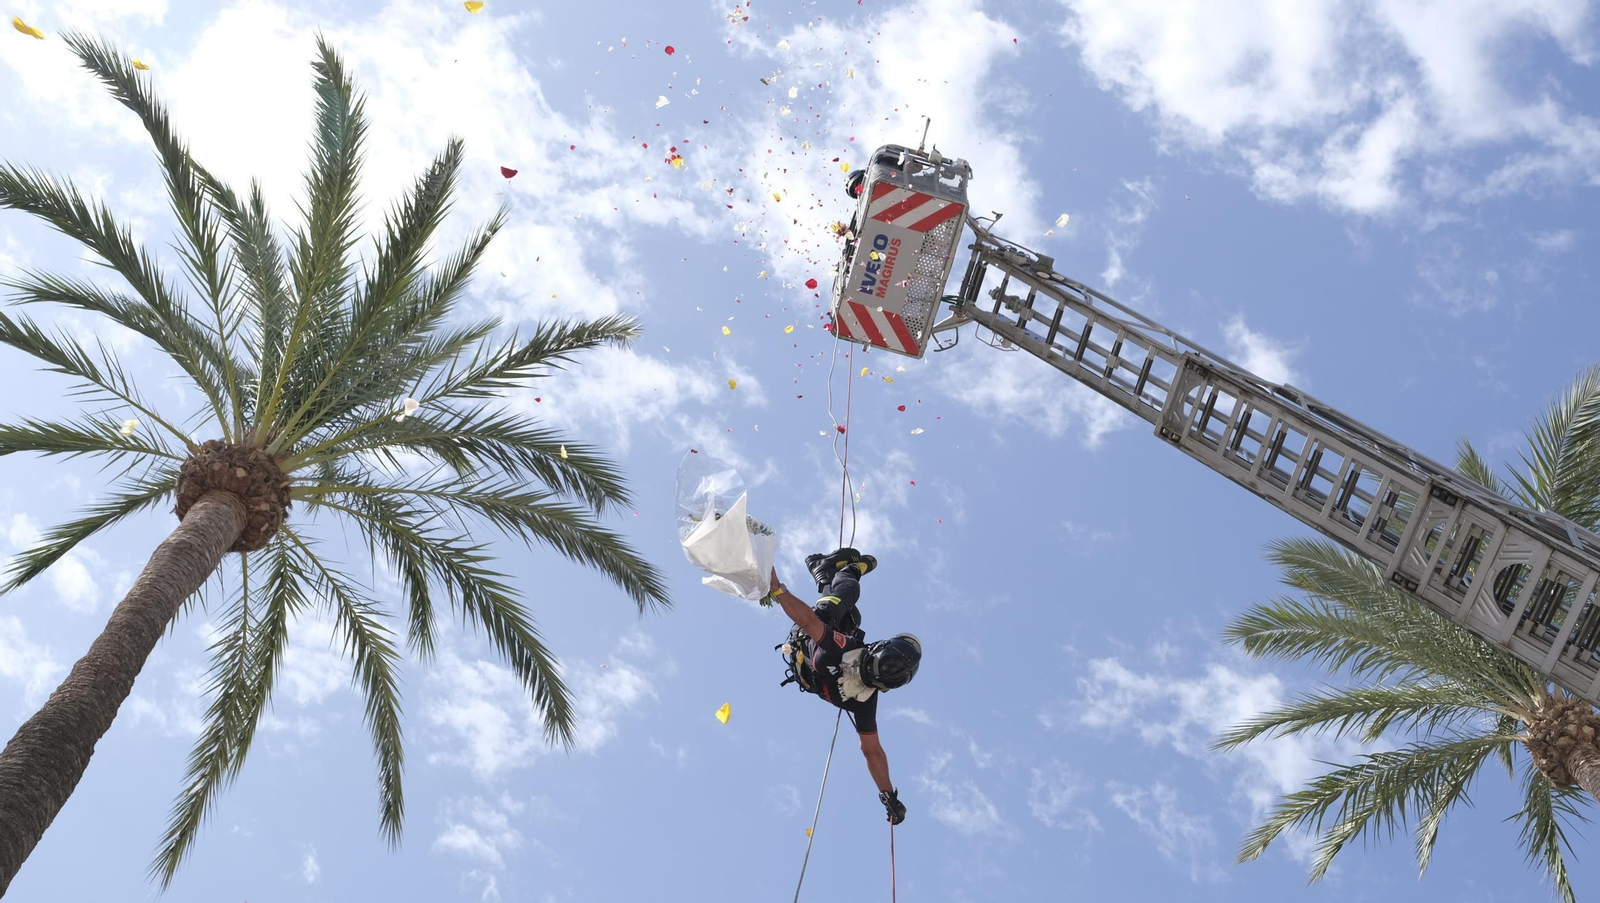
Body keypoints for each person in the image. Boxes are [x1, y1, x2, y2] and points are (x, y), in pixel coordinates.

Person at [767, 548, 922, 826]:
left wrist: (778, 590)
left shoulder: (846, 648)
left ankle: (846, 571)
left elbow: (808, 621)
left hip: (810, 636)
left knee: (846, 593)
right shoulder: (865, 701)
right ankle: (823, 571)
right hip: (809, 659)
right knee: (852, 618)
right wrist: (888, 796)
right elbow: (871, 750)